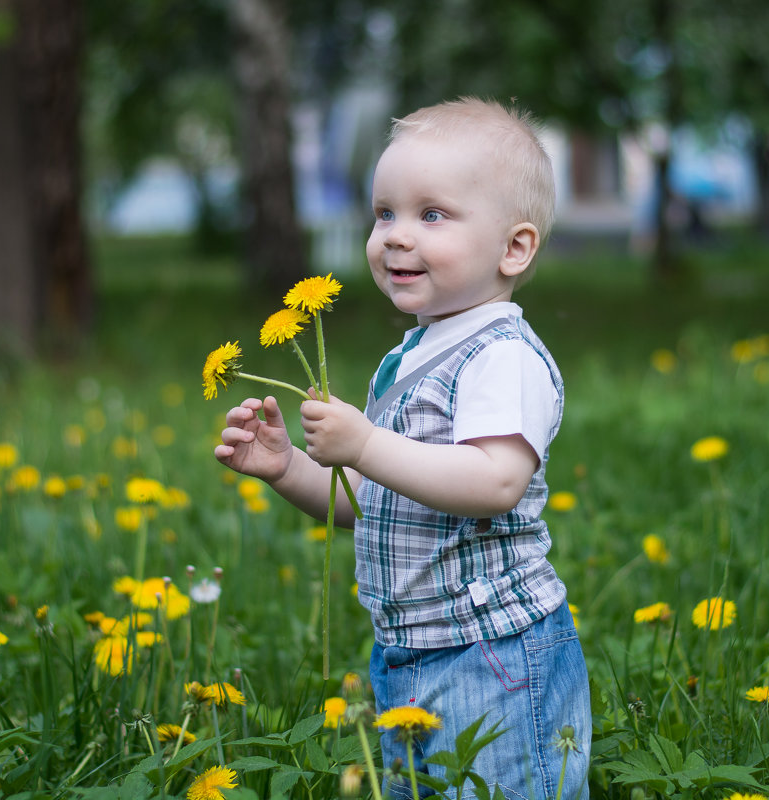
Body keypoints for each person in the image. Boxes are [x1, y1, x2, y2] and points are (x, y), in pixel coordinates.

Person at [214, 97, 591, 799]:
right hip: (409, 650)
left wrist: (363, 441)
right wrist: (290, 468)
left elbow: (494, 482)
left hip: (495, 655)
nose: (395, 235)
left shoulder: (500, 357)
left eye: (432, 214)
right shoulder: (413, 353)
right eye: (384, 213)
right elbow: (378, 502)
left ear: (515, 247)